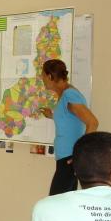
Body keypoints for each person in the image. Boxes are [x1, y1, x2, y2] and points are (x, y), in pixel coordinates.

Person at [39, 59, 98, 195]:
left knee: (54, 205)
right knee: (62, 205)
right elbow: (70, 119)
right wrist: (52, 115)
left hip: (69, 160)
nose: (42, 79)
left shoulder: (69, 95)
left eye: (43, 76)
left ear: (50, 76)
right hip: (65, 160)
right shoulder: (65, 94)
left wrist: (80, 154)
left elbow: (93, 122)